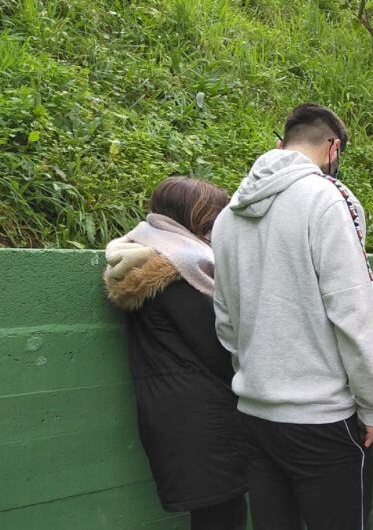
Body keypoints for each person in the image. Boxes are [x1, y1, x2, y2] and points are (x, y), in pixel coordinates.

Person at [211, 103, 373, 530]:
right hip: (321, 420)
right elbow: (354, 315)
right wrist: (372, 405)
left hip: (254, 414)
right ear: (334, 148)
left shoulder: (226, 217)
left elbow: (225, 322)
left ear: (280, 146)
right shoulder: (327, 203)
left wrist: (256, 377)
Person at [103, 176, 247, 530]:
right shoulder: (182, 269)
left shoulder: (144, 256)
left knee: (214, 514)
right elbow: (220, 350)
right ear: (194, 218)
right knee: (222, 516)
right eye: (212, 217)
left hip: (174, 411)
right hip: (202, 419)